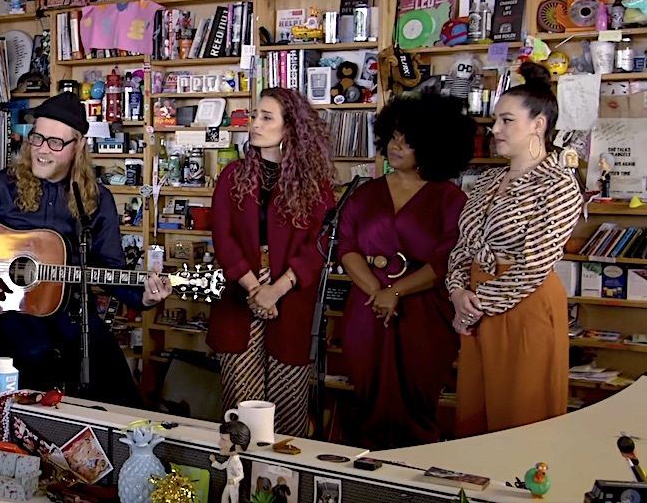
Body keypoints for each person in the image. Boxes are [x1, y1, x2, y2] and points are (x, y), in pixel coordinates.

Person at [0, 92, 171, 406]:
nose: (43, 151)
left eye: (56, 143)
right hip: (4, 307)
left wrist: (143, 297)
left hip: (70, 309)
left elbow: (110, 268)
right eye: (37, 138)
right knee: (35, 352)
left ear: (78, 147)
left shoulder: (97, 200)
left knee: (114, 380)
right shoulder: (1, 186)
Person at [447, 62, 583, 436]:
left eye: (507, 120)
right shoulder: (488, 179)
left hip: (525, 307)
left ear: (538, 124)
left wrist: (476, 305)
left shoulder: (558, 185)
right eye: (495, 120)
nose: (495, 129)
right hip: (474, 307)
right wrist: (458, 292)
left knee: (522, 417)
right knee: (476, 415)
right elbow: (463, 246)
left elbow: (535, 264)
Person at [336, 94, 475, 448]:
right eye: (394, 136)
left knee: (418, 401)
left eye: (408, 140)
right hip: (367, 309)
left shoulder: (450, 199)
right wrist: (378, 293)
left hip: (424, 311)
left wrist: (395, 292)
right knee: (366, 397)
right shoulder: (364, 194)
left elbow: (448, 260)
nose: (396, 146)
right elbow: (347, 248)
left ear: (432, 145)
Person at [209, 87, 336, 437]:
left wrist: (276, 290)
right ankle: (241, 479)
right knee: (242, 403)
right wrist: (255, 289)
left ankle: (281, 484)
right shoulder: (232, 175)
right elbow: (223, 238)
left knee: (288, 401)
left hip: (291, 295)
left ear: (290, 127)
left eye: (267, 118)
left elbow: (321, 244)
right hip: (241, 290)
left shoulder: (314, 183)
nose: (255, 124)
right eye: (255, 116)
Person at [209, 415, 249, 503]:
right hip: (228, 483)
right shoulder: (231, 459)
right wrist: (214, 461)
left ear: (237, 445)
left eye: (224, 440)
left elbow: (241, 475)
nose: (219, 443)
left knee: (234, 500)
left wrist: (234, 480)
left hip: (233, 484)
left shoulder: (236, 462)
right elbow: (222, 466)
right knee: (224, 498)